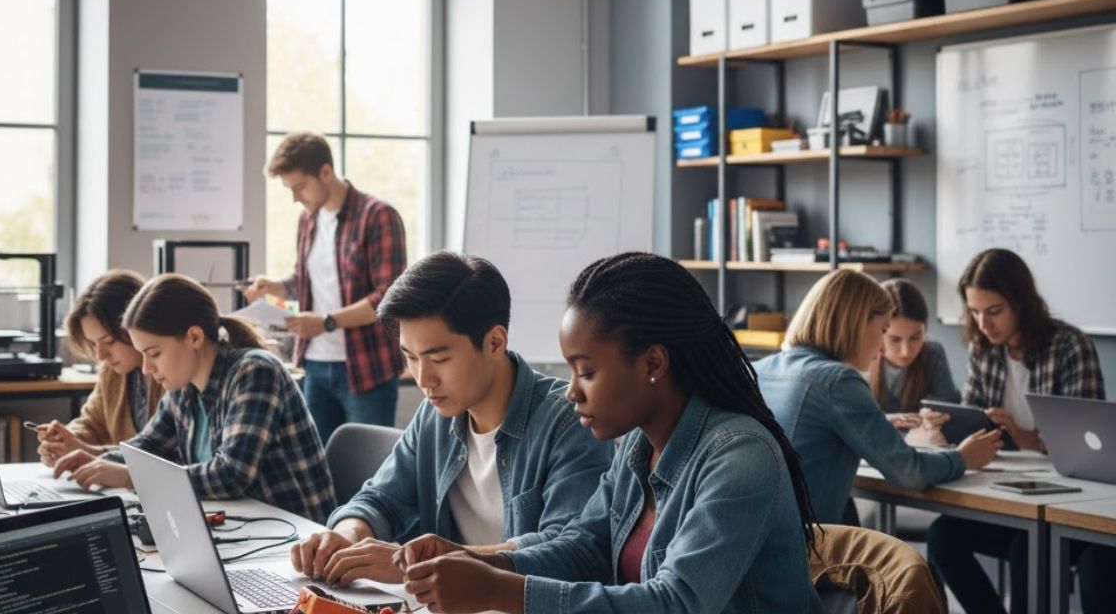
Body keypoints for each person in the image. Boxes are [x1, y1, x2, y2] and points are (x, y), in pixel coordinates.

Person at [388, 252, 823, 614]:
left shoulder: (740, 457)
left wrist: (497, 589)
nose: (572, 392)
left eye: (587, 372)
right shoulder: (639, 446)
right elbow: (586, 546)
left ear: (653, 364)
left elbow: (676, 603)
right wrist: (478, 559)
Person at [289, 252, 614, 586]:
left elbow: (569, 551)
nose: (423, 379)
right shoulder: (435, 416)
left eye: (439, 358)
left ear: (495, 342)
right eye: (410, 358)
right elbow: (381, 499)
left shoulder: (569, 421)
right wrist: (347, 535)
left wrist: (430, 564)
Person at [53, 274, 336, 522]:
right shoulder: (182, 389)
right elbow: (144, 449)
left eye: (153, 354)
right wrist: (89, 459)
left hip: (297, 542)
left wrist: (129, 476)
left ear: (194, 337)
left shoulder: (255, 372)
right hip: (244, 530)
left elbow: (230, 476)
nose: (146, 369)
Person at [928, 248, 1111, 614]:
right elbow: (972, 417)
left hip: (1067, 500)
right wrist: (949, 432)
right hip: (1009, 492)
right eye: (975, 312)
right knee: (942, 536)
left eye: (993, 311)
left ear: (1022, 303)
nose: (983, 323)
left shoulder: (1070, 346)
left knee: (1027, 546)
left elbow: (1089, 450)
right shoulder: (984, 350)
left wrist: (1024, 436)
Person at [755, 269, 1001, 526]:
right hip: (805, 548)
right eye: (883, 329)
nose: (883, 347)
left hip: (762, 538)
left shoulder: (763, 369)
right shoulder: (838, 380)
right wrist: (963, 457)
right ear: (858, 322)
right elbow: (909, 473)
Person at [244, 132, 407, 442]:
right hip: (315, 366)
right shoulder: (308, 221)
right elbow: (305, 281)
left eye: (300, 187)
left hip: (365, 367)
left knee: (368, 472)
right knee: (318, 469)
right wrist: (275, 287)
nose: (295, 198)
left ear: (326, 172)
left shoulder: (378, 216)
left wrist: (326, 323)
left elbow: (389, 296)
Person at [34, 270, 164, 466]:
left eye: (109, 342)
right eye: (93, 344)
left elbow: (164, 453)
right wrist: (64, 441)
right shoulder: (112, 372)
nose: (100, 355)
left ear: (138, 325)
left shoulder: (172, 373)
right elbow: (92, 424)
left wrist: (85, 450)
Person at [870, 278, 959, 430]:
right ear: (877, 332)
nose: (906, 351)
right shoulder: (860, 359)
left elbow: (949, 407)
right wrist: (898, 419)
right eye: (895, 339)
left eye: (915, 337)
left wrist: (937, 416)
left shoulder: (933, 353)